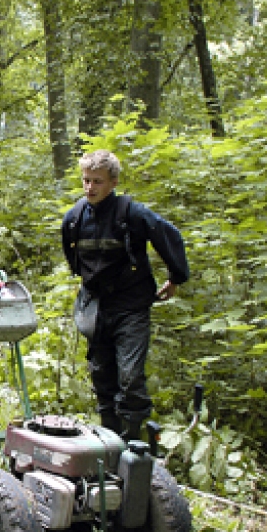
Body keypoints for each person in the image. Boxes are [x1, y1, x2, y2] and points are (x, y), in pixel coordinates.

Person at [62, 150, 190, 441]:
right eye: (86, 180)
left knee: (130, 378)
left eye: (97, 181)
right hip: (96, 307)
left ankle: (133, 444)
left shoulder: (132, 214)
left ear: (114, 182)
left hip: (131, 306)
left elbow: (169, 236)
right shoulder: (74, 218)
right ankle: (110, 442)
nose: (90, 187)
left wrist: (175, 277)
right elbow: (72, 256)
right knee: (101, 375)